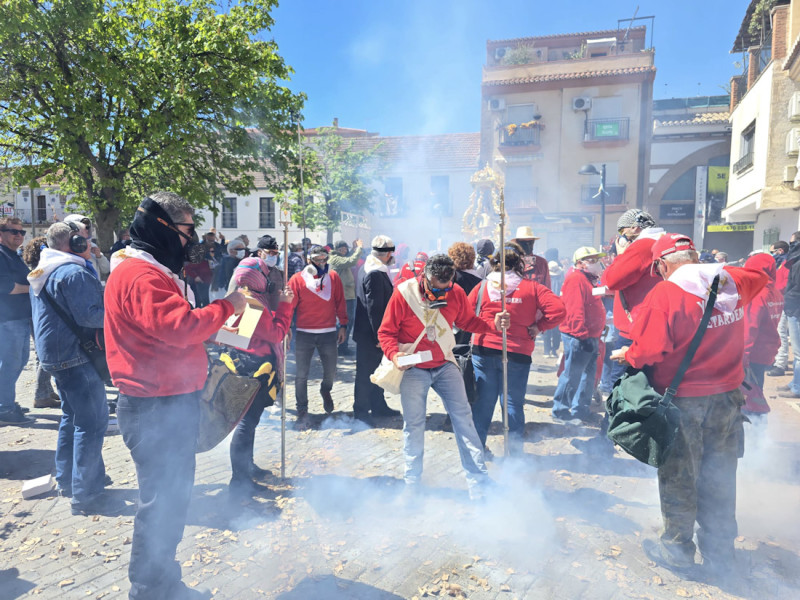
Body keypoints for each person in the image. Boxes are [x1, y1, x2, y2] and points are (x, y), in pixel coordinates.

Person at [105, 192, 246, 600]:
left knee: (170, 500)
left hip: (164, 401)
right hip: (155, 407)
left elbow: (170, 332)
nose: (191, 240)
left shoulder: (145, 271)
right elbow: (179, 327)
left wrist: (215, 331)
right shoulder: (140, 275)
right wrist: (227, 306)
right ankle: (150, 589)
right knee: (161, 505)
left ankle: (163, 582)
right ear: (162, 227)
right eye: (187, 231)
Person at [610, 233, 767, 574]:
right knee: (720, 475)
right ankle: (721, 551)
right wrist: (722, 269)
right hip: (728, 397)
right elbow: (761, 274)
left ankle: (677, 550)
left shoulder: (665, 294)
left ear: (662, 264)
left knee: (681, 475)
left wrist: (629, 354)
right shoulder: (733, 281)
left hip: (684, 401)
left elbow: (649, 351)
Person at [377, 254, 510, 500]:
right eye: (436, 288)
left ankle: (478, 483)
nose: (441, 294)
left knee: (464, 421)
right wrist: (394, 355)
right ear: (424, 277)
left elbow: (467, 320)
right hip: (414, 368)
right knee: (414, 425)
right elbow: (386, 332)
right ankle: (412, 484)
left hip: (445, 364)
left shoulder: (456, 291)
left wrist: (493, 324)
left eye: (445, 288)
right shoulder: (404, 293)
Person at [28, 222, 109, 513]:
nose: (89, 244)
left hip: (54, 355)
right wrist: (118, 309)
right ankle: (86, 495)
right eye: (85, 239)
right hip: (73, 356)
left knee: (71, 417)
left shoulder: (43, 269)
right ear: (74, 243)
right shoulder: (73, 271)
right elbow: (91, 317)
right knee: (92, 422)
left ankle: (68, 479)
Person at [470, 242, 565, 454]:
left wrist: (481, 326)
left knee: (484, 403)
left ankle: (477, 450)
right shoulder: (532, 287)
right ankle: (514, 456)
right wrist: (539, 327)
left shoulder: (482, 287)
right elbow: (559, 309)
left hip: (484, 349)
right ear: (520, 264)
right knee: (512, 404)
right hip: (517, 351)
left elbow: (465, 315)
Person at [226, 257, 293, 495]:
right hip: (254, 371)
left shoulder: (237, 297)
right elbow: (275, 334)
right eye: (264, 275)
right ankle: (240, 480)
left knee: (248, 424)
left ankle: (247, 468)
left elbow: (234, 336)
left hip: (241, 365)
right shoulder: (253, 304)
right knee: (246, 424)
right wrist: (285, 305)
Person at [600, 209, 663, 394]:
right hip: (658, 325)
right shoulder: (663, 243)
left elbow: (611, 280)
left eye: (622, 232)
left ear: (634, 229)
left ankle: (615, 423)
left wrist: (621, 256)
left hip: (634, 329)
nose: (621, 238)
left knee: (622, 387)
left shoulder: (642, 245)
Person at [288, 245, 348, 418]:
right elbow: (289, 307)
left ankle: (325, 390)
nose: (322, 262)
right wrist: (285, 329)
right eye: (318, 260)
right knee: (301, 374)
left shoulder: (334, 277)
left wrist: (343, 325)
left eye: (324, 259)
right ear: (309, 260)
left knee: (330, 371)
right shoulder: (297, 279)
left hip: (328, 332)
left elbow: (340, 302)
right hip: (304, 333)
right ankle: (302, 408)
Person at [551, 246, 606, 425]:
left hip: (589, 335)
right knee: (572, 374)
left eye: (596, 259)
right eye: (591, 259)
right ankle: (560, 411)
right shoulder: (576, 279)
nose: (596, 262)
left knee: (587, 376)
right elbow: (574, 309)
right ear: (581, 263)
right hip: (579, 336)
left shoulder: (587, 279)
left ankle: (581, 410)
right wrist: (581, 334)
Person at [352, 235, 401, 423]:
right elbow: (375, 308)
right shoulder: (375, 272)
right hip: (370, 334)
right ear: (388, 254)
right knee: (366, 374)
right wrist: (381, 337)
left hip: (368, 331)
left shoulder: (371, 267)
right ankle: (361, 412)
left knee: (377, 370)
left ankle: (377, 405)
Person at [0, 216, 34, 425]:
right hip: (8, 319)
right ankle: (5, 408)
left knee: (18, 361)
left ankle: (6, 402)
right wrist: (33, 288)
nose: (19, 236)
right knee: (10, 364)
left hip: (18, 317)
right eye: (14, 231)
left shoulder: (13, 254)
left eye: (21, 232)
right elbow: (5, 286)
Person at [22, 237, 60, 409]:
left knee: (41, 353)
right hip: (36, 315)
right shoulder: (40, 271)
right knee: (43, 354)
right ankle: (40, 394)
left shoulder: (34, 269)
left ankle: (45, 390)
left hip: (32, 314)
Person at [743, 253, 782, 397]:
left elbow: (749, 329)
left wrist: (742, 358)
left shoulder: (757, 293)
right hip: (766, 351)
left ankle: (757, 419)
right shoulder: (775, 292)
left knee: (749, 401)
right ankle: (760, 418)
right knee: (757, 392)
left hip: (752, 353)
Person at [328, 239, 364, 356]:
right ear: (337, 249)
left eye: (345, 248)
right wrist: (358, 248)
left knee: (348, 322)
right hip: (343, 296)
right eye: (342, 248)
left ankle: (342, 345)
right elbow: (351, 261)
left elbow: (349, 257)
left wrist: (354, 249)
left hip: (348, 295)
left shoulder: (340, 257)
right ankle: (340, 346)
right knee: (344, 323)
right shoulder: (334, 258)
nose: (344, 250)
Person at [768, 240, 790, 376]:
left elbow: (785, 284)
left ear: (780, 251)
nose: (772, 255)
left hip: (785, 302)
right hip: (779, 301)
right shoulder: (781, 264)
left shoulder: (787, 264)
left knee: (781, 333)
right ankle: (779, 361)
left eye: (772, 252)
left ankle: (780, 364)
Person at [250, 235, 286, 311]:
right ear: (260, 253)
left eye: (276, 253)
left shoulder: (279, 273)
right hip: (254, 314)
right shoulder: (249, 270)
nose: (273, 256)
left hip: (273, 315)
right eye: (270, 252)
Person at [542, 260, 565, 357]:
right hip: (547, 305)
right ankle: (547, 350)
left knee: (556, 331)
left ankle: (554, 349)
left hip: (558, 305)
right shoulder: (545, 280)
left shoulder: (561, 278)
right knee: (547, 330)